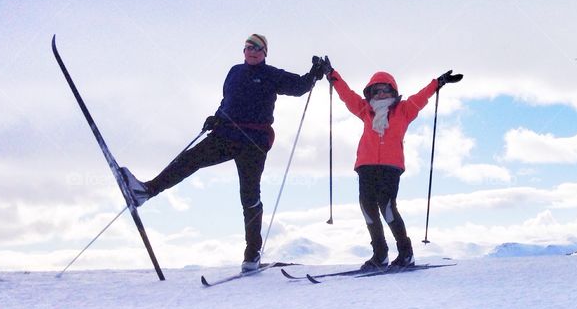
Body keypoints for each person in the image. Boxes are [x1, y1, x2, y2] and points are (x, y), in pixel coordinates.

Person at [120, 34, 326, 271]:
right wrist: (216, 117)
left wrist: (314, 74)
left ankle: (252, 255)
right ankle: (145, 191)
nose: (253, 50)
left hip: (254, 141)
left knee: (249, 195)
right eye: (249, 46)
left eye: (258, 47)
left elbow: (299, 87)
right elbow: (227, 100)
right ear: (244, 50)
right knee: (189, 159)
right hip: (226, 133)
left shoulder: (271, 75)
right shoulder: (234, 72)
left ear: (265, 53)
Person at [321, 57, 462, 270]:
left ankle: (406, 254)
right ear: (369, 93)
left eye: (385, 90)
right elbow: (347, 95)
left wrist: (438, 82)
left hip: (390, 166)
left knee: (386, 207)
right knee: (368, 207)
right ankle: (380, 255)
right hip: (366, 165)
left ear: (393, 92)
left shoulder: (404, 110)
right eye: (376, 91)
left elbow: (422, 97)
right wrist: (331, 74)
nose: (380, 94)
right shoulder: (364, 110)